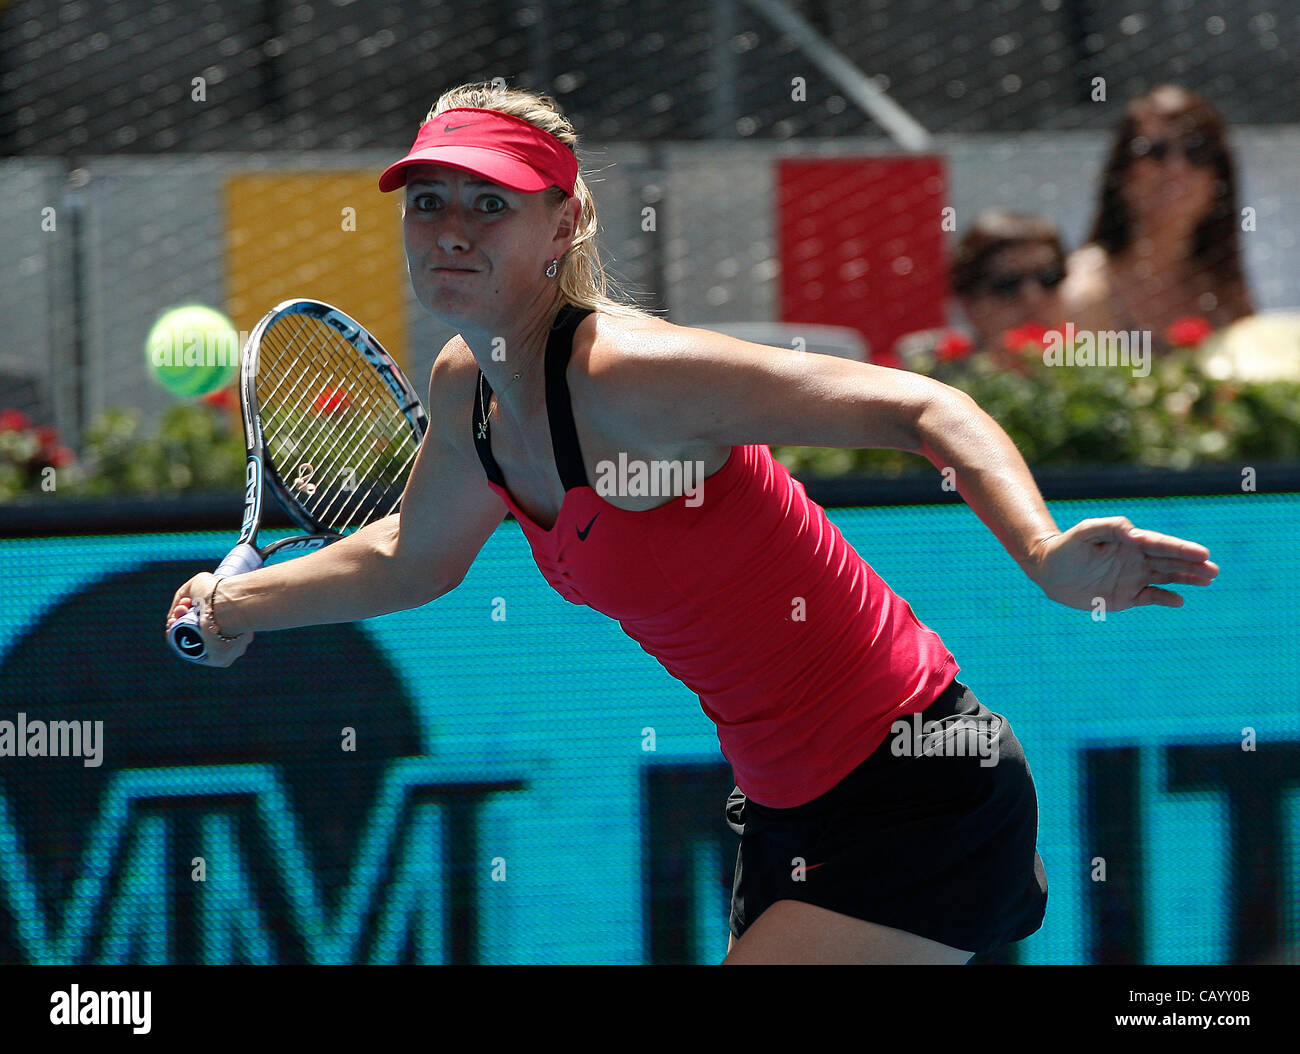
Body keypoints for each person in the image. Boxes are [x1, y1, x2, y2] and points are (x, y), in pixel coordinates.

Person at [166, 82, 1220, 965]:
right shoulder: (466, 391)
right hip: (788, 814)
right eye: (428, 201)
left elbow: (921, 404)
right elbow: (408, 553)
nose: (448, 226)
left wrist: (1042, 551)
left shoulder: (631, 377)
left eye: (491, 205)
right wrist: (235, 600)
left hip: (917, 782)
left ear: (563, 222)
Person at [1061, 84, 1255, 342]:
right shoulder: (1085, 292)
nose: (1177, 167)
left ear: (1218, 180)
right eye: (1156, 151)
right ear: (1122, 175)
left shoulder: (1224, 293)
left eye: (1197, 152)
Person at [951, 209, 1068, 363]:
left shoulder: (1095, 369)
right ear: (968, 302)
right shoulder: (931, 377)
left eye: (1049, 278)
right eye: (1008, 284)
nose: (1033, 298)